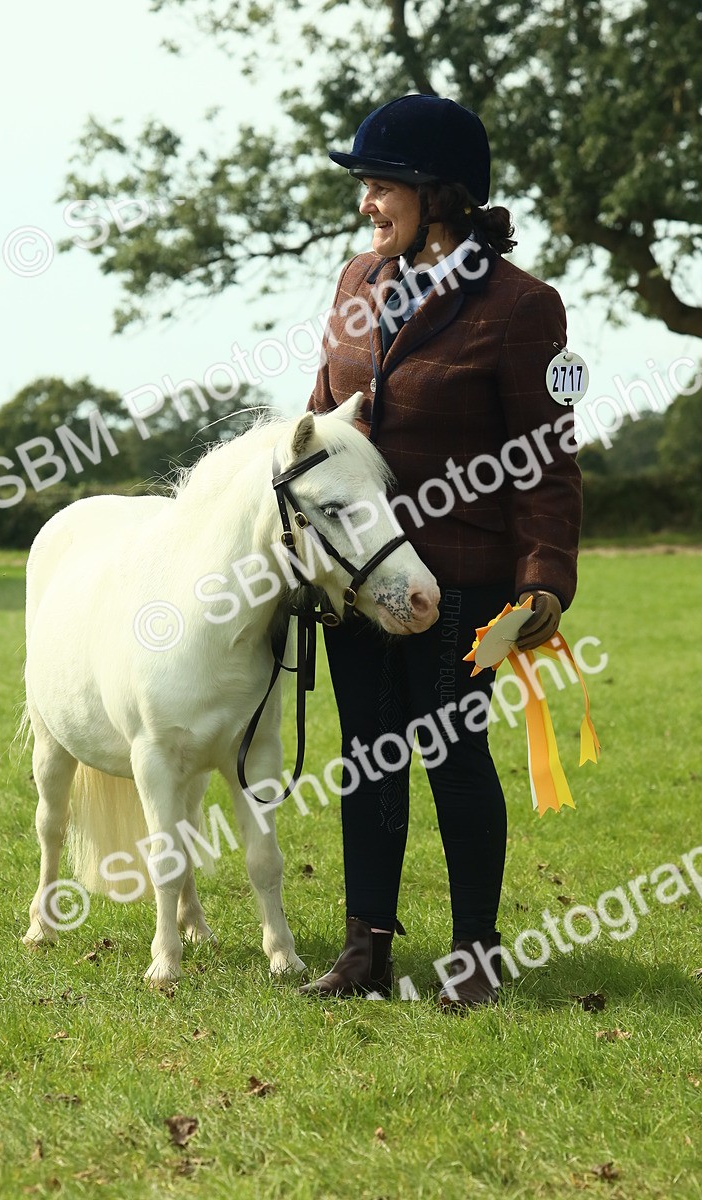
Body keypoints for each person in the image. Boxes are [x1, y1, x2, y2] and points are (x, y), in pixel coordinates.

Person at [299, 94, 582, 1007]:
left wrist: (543, 581)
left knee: (453, 755)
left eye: (382, 186)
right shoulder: (355, 283)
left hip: (460, 581)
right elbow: (319, 424)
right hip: (359, 576)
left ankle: (474, 956)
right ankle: (365, 950)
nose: (368, 204)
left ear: (441, 195)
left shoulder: (523, 308)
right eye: (368, 186)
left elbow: (547, 459)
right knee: (367, 755)